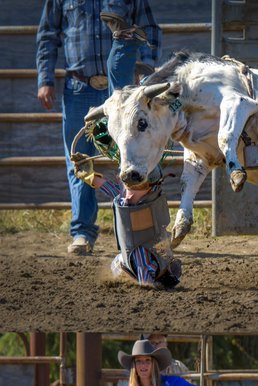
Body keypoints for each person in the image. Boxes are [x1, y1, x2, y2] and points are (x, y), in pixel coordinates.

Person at [36, 0, 160, 255]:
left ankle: (149, 230)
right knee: (79, 160)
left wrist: (147, 72)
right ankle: (82, 233)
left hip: (124, 91)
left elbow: (151, 28)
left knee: (139, 157)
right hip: (79, 87)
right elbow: (48, 35)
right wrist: (45, 78)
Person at [72, 158, 181, 289]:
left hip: (150, 255)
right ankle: (136, 278)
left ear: (150, 186)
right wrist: (89, 176)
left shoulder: (152, 197)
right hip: (130, 258)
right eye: (127, 187)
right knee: (125, 260)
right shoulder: (123, 197)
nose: (129, 195)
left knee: (141, 255)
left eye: (136, 188)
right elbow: (107, 186)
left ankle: (148, 282)